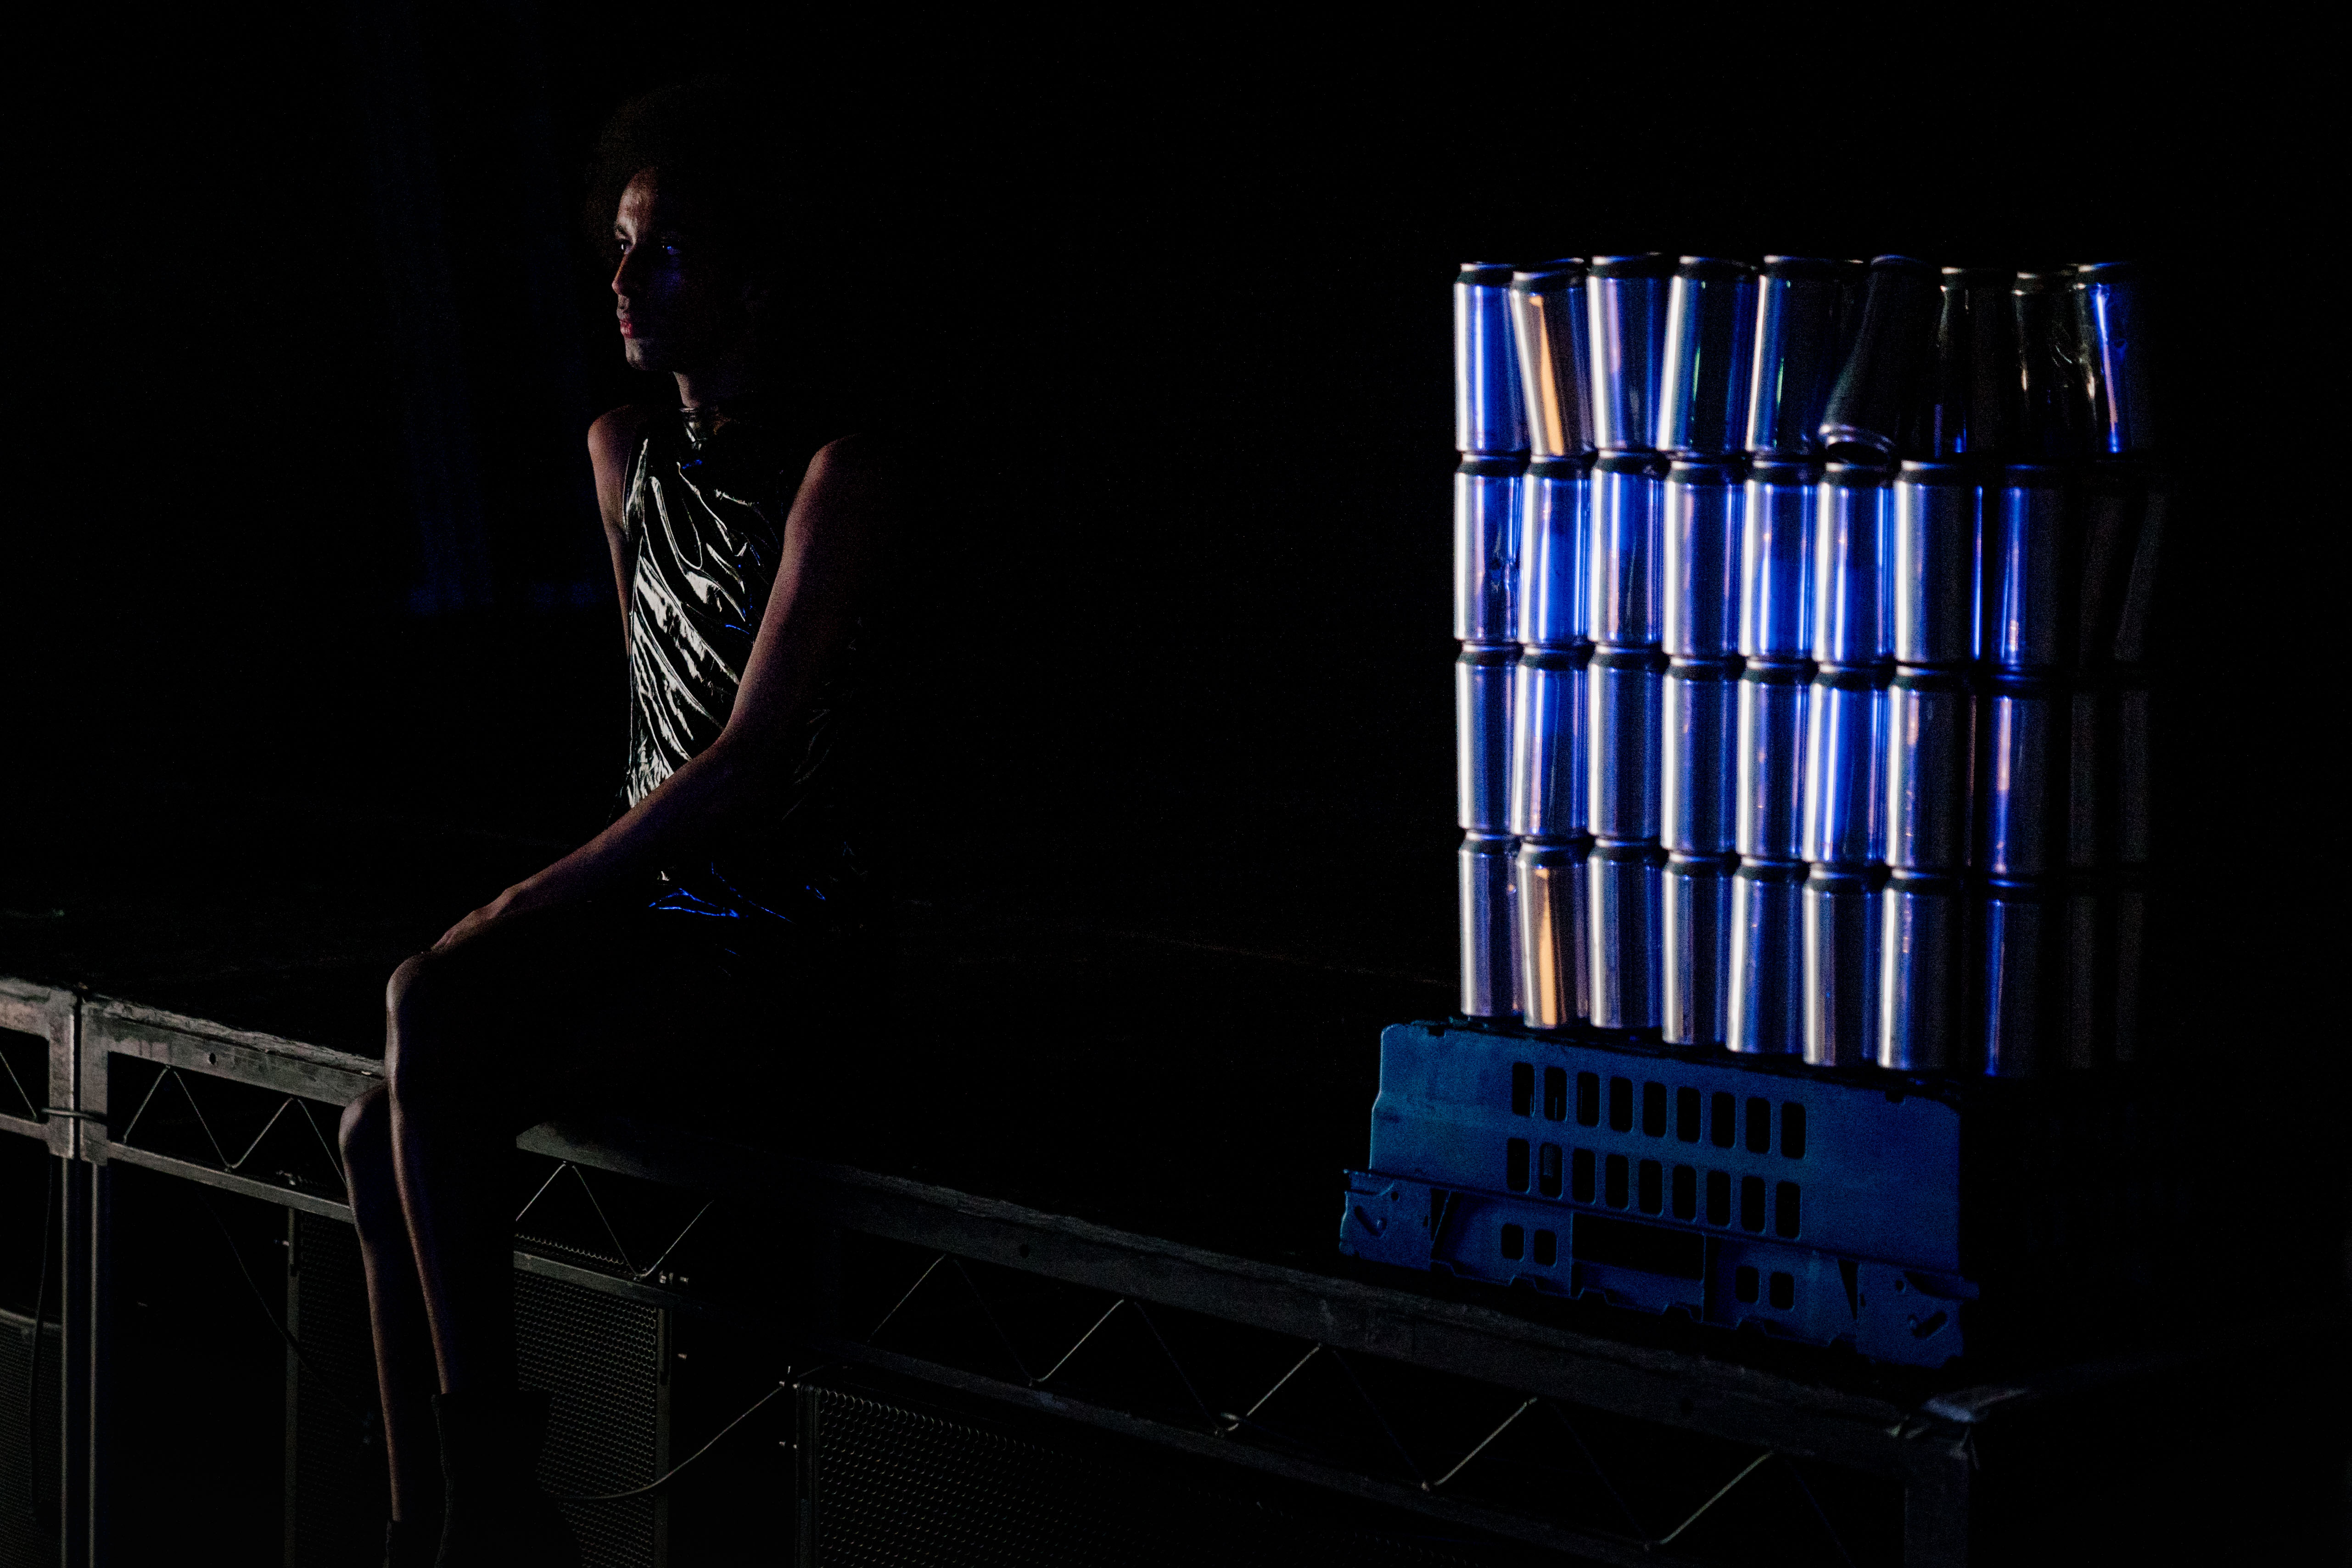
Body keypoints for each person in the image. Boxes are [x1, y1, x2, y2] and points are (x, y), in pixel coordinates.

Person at [338, 82, 895, 1567]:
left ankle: (491, 1522)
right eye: (622, 248)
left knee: (427, 1003)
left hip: (783, 944)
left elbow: (740, 767)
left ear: (753, 283)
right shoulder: (621, 454)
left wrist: (522, 911)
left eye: (661, 255)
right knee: (368, 1127)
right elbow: (650, 733)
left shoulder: (838, 478)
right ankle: (436, 1524)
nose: (622, 283)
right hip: (657, 930)